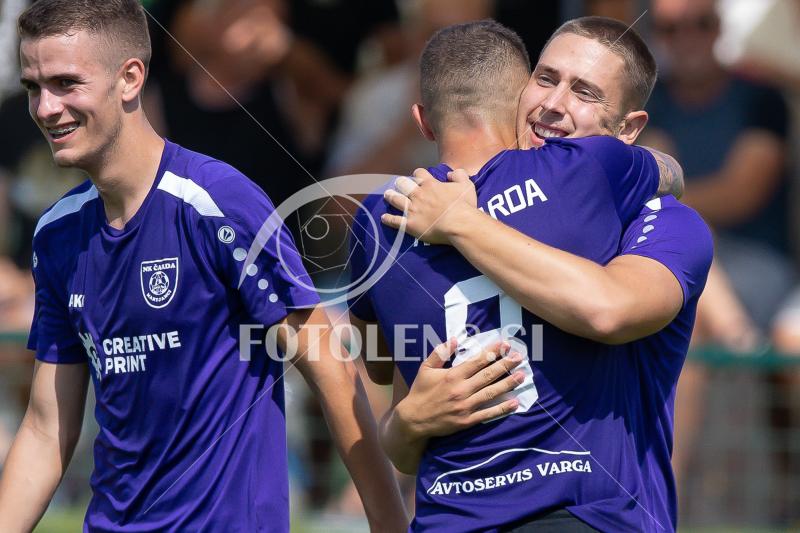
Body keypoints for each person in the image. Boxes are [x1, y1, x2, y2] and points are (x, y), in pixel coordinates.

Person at [0, 1, 407, 532]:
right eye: (34, 87)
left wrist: (389, 524)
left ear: (130, 78)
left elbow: (331, 369)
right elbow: (45, 426)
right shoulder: (57, 233)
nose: (45, 108)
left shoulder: (217, 202)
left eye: (65, 84)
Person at [353, 18, 712, 532]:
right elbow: (405, 423)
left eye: (585, 92)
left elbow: (608, 310)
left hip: (580, 517)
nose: (553, 104)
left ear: (628, 131)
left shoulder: (665, 222)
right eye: (545, 79)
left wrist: (462, 223)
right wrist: (407, 422)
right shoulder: (424, 208)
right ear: (515, 91)